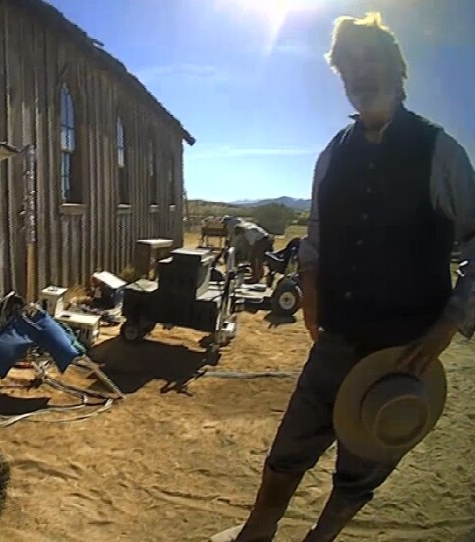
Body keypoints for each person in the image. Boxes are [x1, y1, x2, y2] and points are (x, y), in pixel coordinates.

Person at [211, 12, 474, 542]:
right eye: (348, 65)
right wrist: (310, 298)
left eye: (371, 59)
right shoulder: (333, 154)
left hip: (405, 353)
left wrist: (448, 324)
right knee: (287, 454)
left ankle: (321, 539)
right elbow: (316, 240)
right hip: (336, 342)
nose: (360, 73)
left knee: (361, 468)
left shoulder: (440, 152)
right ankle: (259, 530)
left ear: (398, 69)